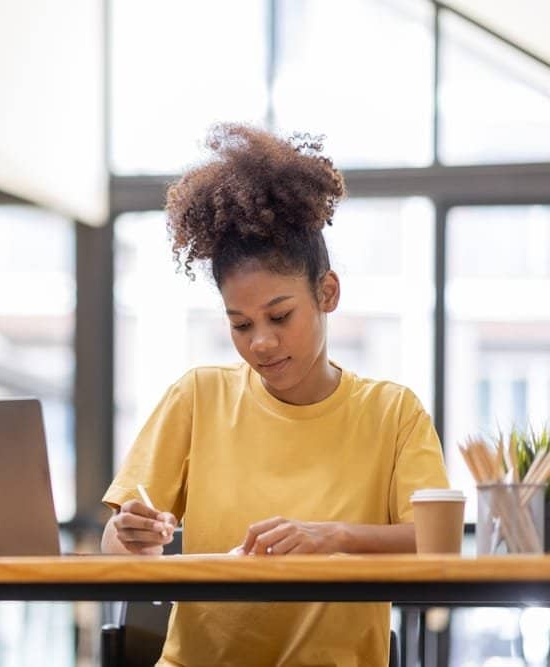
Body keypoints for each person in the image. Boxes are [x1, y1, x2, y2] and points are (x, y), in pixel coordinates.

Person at [100, 124, 449, 666]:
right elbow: (116, 549)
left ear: (327, 293)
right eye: (240, 324)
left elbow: (435, 544)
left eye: (280, 316)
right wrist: (132, 537)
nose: (261, 343)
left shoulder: (392, 412)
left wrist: (331, 537)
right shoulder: (197, 397)